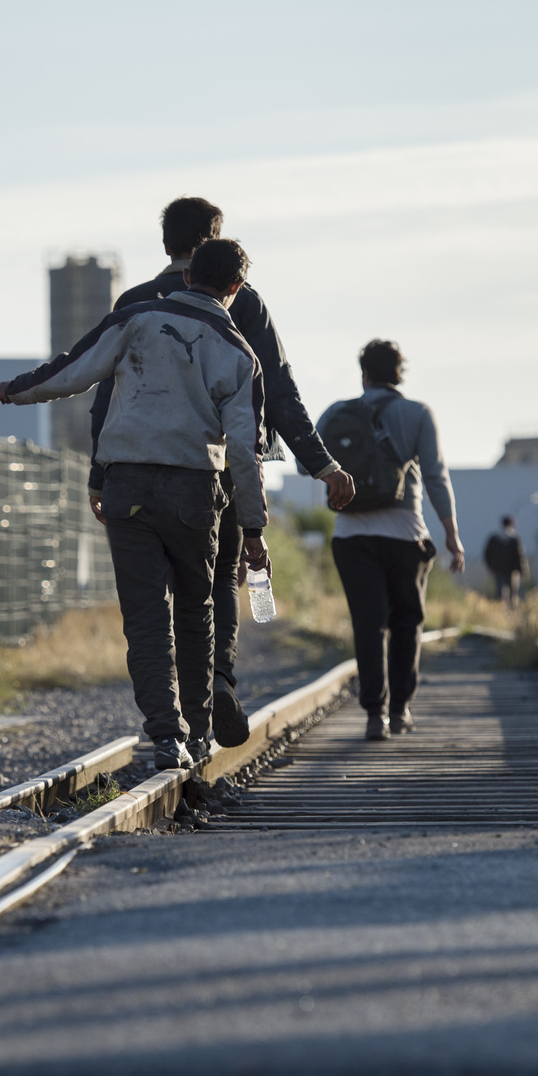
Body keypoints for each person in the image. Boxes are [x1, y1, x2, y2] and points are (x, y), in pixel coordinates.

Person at [0, 238, 269, 771]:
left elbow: (72, 371)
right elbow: (243, 451)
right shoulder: (239, 354)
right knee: (195, 611)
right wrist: (252, 530)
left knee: (144, 618)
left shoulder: (138, 318)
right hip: (194, 495)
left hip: (129, 487)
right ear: (235, 288)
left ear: (187, 277)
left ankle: (166, 737)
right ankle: (201, 734)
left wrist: (15, 389)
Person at [87, 197, 356, 747]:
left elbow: (106, 392)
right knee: (211, 588)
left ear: (166, 244)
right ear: (214, 243)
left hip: (134, 472)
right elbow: (275, 387)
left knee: (151, 605)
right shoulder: (243, 301)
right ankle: (217, 682)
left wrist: (99, 471)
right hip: (221, 473)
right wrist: (321, 463)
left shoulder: (135, 301)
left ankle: (169, 725)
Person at [319, 340, 464, 741]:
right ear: (400, 373)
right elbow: (435, 475)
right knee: (406, 622)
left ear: (363, 372)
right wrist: (451, 535)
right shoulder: (417, 413)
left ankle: (373, 715)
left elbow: (304, 461)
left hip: (350, 534)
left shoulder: (336, 412)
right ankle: (399, 710)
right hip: (405, 535)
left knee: (368, 624)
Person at [483, 515, 528, 608]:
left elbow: (487, 554)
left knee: (500, 592)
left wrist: (491, 567)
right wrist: (522, 571)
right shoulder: (515, 539)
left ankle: (500, 610)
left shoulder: (494, 538)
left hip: (498, 570)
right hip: (512, 571)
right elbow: (520, 556)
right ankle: (511, 611)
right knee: (513, 593)